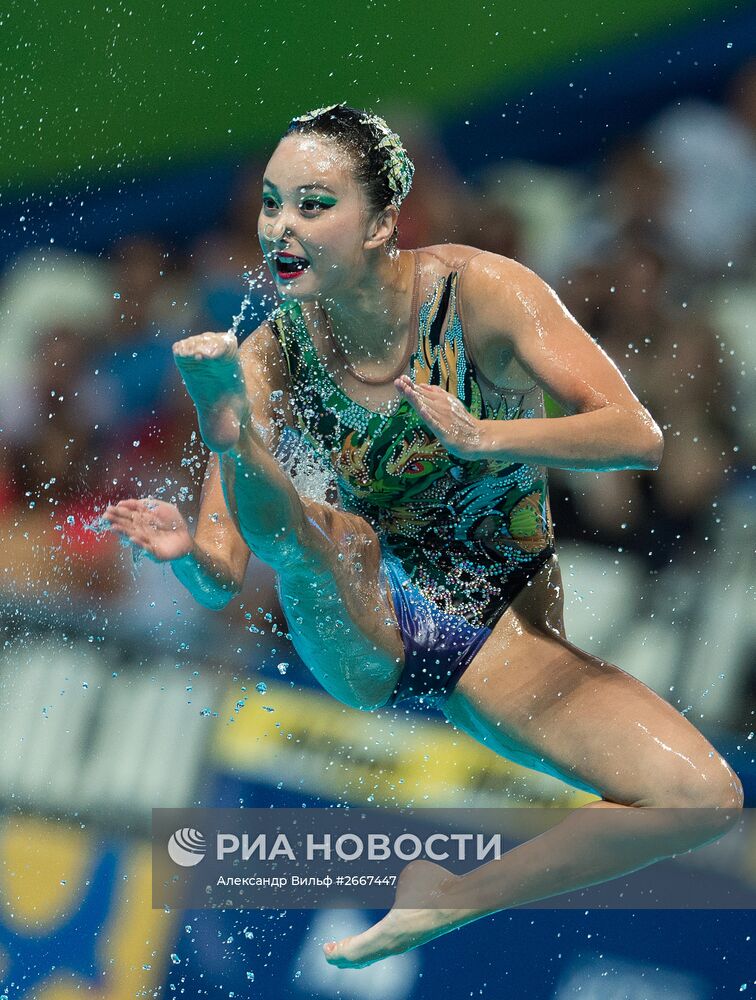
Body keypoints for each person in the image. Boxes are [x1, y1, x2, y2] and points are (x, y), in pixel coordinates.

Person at [104, 104, 743, 969]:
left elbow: (635, 434)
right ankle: (237, 444)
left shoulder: (481, 292)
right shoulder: (265, 355)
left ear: (381, 222)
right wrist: (190, 553)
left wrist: (488, 436)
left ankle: (452, 898)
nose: (280, 228)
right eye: (270, 203)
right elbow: (222, 578)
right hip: (368, 616)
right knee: (329, 537)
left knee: (702, 798)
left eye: (312, 205)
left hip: (502, 641)